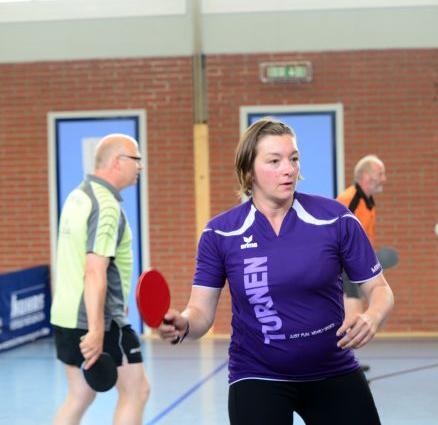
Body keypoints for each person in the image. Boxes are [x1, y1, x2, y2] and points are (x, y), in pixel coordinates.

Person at [158, 117, 394, 425]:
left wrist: (373, 315)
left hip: (332, 368)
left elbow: (379, 288)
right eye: (274, 161)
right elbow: (200, 313)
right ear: (248, 171)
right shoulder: (221, 233)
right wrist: (185, 324)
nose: (289, 169)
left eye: (293, 159)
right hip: (257, 374)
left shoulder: (335, 218)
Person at [50, 134, 150, 425]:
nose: (140, 166)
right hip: (96, 320)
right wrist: (96, 330)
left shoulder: (78, 196)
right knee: (137, 391)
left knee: (80, 395)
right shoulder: (105, 206)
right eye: (136, 159)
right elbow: (94, 270)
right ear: (118, 161)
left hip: (65, 316)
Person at [336, 155, 387, 327]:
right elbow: (334, 233)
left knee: (357, 314)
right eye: (380, 174)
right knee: (354, 315)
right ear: (365, 176)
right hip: (343, 264)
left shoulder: (368, 201)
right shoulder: (350, 199)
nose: (384, 179)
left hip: (355, 264)